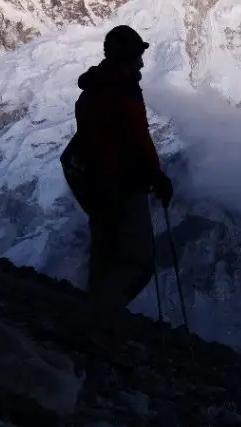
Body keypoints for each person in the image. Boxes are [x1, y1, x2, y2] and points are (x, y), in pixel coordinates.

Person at [71, 24, 173, 310]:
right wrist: (157, 176)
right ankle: (103, 319)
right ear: (126, 56)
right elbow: (137, 137)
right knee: (137, 262)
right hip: (124, 186)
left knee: (104, 257)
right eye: (138, 55)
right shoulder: (123, 90)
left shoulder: (92, 90)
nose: (142, 62)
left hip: (96, 186)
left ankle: (91, 326)